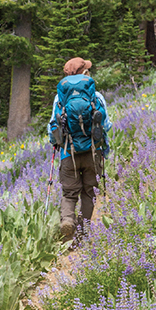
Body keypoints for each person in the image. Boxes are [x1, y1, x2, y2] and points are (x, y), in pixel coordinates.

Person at [47, 57, 111, 241]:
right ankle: (83, 233)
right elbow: (106, 125)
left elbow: (52, 128)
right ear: (84, 73)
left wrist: (56, 142)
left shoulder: (59, 98)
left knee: (69, 193)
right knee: (89, 192)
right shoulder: (95, 96)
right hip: (92, 152)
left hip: (69, 153)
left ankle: (67, 220)